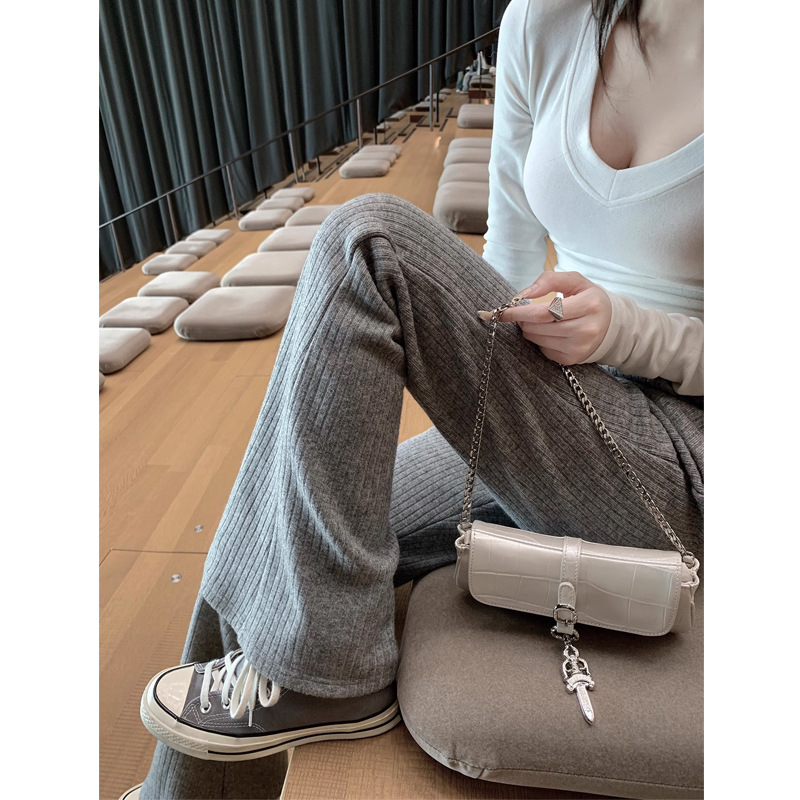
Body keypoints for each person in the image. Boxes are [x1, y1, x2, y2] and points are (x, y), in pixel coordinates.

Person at [123, 0, 703, 797]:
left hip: (695, 455)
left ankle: (333, 678)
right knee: (279, 529)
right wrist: (479, 391)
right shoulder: (546, 20)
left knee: (371, 241)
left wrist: (629, 333)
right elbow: (506, 256)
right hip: (573, 396)